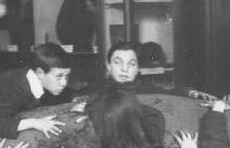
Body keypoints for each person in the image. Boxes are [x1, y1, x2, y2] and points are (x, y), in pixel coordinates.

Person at [74, 41, 216, 102]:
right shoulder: (94, 88)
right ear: (108, 66)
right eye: (118, 63)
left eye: (131, 64)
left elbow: (170, 92)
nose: (125, 69)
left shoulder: (145, 89)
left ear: (137, 70)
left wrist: (192, 92)